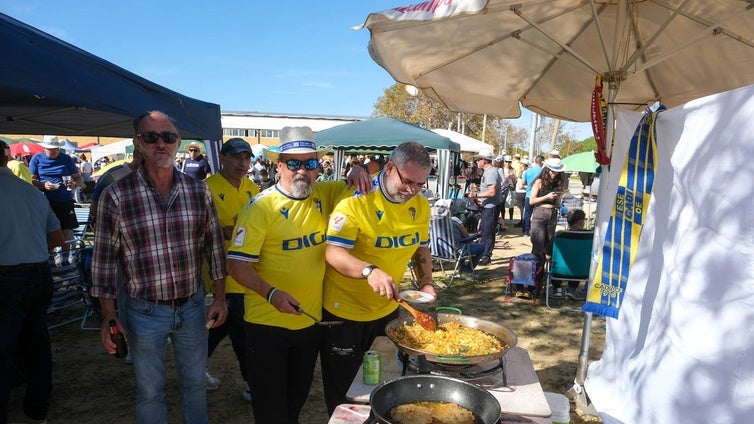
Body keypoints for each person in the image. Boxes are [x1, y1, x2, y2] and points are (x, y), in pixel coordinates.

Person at [225, 126, 371, 424]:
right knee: (271, 411)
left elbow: (372, 174)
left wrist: (358, 170)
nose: (302, 170)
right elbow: (236, 266)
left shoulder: (323, 194)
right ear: (279, 165)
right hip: (267, 326)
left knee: (295, 403)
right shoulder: (261, 207)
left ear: (319, 166)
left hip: (309, 324)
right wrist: (272, 293)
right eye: (293, 163)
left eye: (310, 163)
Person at [90, 111, 228, 424]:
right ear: (138, 143)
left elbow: (215, 248)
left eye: (168, 137)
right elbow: (104, 262)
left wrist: (219, 298)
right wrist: (109, 316)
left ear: (178, 142)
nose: (161, 143)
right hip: (143, 312)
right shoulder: (117, 195)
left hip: (193, 308)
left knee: (194, 385)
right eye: (151, 137)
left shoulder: (198, 191)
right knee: (150, 391)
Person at [320, 141, 438, 414]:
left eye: (420, 185)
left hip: (388, 310)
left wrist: (426, 282)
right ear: (389, 168)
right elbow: (333, 252)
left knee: (385, 382)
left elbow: (421, 247)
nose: (412, 191)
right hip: (343, 312)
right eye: (407, 181)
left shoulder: (420, 205)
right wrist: (368, 271)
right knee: (344, 390)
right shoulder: (355, 201)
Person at [0, 145, 65, 424]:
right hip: (38, 274)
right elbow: (58, 239)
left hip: (7, 277)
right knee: (38, 346)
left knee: (3, 352)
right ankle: (37, 410)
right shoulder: (31, 192)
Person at [203, 138, 259, 400]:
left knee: (221, 325)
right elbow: (197, 230)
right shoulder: (206, 188)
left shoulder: (253, 187)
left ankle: (194, 366)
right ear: (222, 158)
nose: (243, 163)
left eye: (247, 158)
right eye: (237, 157)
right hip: (222, 272)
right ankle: (253, 383)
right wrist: (224, 231)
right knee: (241, 331)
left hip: (249, 272)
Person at [29, 135, 83, 243]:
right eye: (49, 150)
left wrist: (74, 184)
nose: (52, 152)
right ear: (44, 148)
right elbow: (31, 180)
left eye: (55, 149)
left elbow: (78, 179)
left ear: (59, 148)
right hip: (45, 201)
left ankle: (66, 257)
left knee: (65, 230)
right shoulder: (37, 159)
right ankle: (50, 257)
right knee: (47, 231)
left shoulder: (67, 159)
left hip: (64, 200)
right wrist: (43, 185)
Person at [464, 149, 502, 265]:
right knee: (485, 230)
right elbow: (489, 190)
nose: (476, 162)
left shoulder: (491, 172)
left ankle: (486, 255)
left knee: (488, 231)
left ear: (484, 161)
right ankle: (484, 253)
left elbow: (492, 192)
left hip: (491, 206)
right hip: (489, 205)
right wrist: (478, 190)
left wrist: (476, 195)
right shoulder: (488, 172)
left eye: (478, 159)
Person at [529, 158, 568, 263]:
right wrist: (547, 197)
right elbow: (532, 201)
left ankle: (546, 273)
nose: (553, 173)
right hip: (540, 213)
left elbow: (557, 203)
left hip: (553, 214)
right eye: (551, 170)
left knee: (549, 247)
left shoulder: (558, 183)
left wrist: (559, 197)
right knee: (538, 245)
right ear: (546, 170)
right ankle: (535, 273)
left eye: (556, 171)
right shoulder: (539, 181)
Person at [521, 155, 544, 236]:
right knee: (537, 215)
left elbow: (523, 183)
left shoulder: (528, 170)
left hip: (528, 195)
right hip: (539, 196)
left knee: (527, 214)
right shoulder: (543, 171)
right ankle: (535, 231)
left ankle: (525, 232)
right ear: (542, 162)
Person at [513, 159, 529, 227]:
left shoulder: (525, 172)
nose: (520, 165)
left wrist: (521, 186)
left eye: (521, 163)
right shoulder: (523, 172)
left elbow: (524, 183)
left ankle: (523, 222)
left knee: (522, 208)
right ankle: (522, 221)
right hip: (520, 191)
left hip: (521, 192)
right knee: (522, 208)